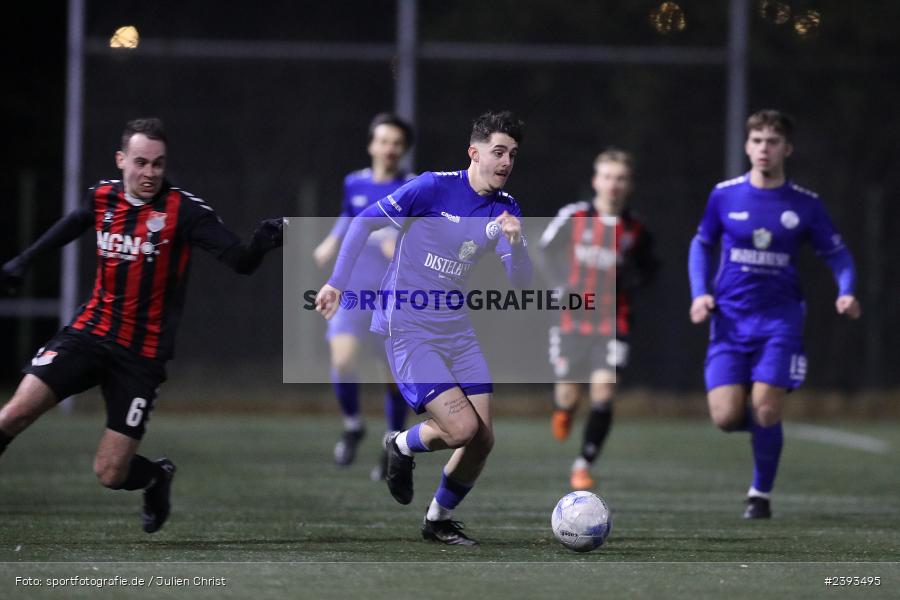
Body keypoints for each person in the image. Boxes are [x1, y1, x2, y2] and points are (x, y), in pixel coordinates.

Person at [0, 118, 284, 533]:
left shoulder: (184, 211)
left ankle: (156, 476)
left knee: (111, 473)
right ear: (121, 160)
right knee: (12, 415)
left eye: (158, 164)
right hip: (87, 334)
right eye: (140, 162)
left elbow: (239, 261)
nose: (149, 173)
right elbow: (74, 223)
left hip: (140, 357)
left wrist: (260, 241)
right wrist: (23, 262)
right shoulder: (102, 197)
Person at [315, 110, 532, 545]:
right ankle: (400, 444)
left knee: (483, 439)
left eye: (512, 154)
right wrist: (336, 282)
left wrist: (516, 243)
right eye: (498, 152)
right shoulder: (433, 186)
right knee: (461, 430)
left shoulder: (506, 209)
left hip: (456, 328)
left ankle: (437, 520)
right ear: (474, 152)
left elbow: (521, 283)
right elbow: (363, 222)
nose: (506, 161)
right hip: (408, 324)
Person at [688, 109, 860, 519]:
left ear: (787, 148)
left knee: (765, 407)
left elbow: (839, 256)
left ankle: (759, 495)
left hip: (780, 321)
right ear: (747, 146)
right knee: (726, 417)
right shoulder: (724, 195)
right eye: (758, 140)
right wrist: (700, 294)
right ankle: (770, 424)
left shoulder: (805, 205)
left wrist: (847, 291)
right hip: (729, 320)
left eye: (773, 141)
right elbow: (700, 245)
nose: (764, 148)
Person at [536, 149, 658, 491]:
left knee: (603, 393)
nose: (613, 184)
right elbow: (545, 250)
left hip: (613, 322)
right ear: (595, 181)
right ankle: (562, 410)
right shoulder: (574, 216)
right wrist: (560, 285)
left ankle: (583, 463)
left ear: (629, 184)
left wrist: (636, 281)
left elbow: (651, 267)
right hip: (571, 318)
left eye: (620, 178)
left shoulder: (635, 228)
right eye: (607, 177)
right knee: (568, 398)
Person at [312, 113, 413, 479]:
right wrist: (331, 240)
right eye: (384, 141)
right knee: (342, 359)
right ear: (372, 145)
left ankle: (392, 443)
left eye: (397, 143)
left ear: (403, 150)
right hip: (353, 289)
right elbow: (347, 215)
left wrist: (401, 243)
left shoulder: (412, 186)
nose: (390, 149)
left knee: (392, 375)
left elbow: (424, 232)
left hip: (392, 293)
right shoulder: (353, 182)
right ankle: (353, 424)